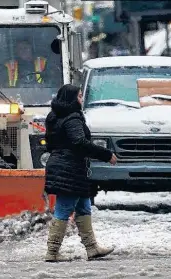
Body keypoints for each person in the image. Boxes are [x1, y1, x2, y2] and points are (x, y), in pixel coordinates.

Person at [43, 84, 117, 262]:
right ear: (71, 98)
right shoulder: (73, 118)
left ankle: (92, 248)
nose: (81, 100)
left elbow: (52, 144)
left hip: (63, 165)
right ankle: (52, 252)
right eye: (79, 96)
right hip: (70, 169)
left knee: (83, 206)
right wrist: (106, 154)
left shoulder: (54, 117)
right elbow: (79, 143)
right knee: (64, 208)